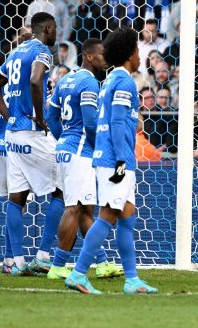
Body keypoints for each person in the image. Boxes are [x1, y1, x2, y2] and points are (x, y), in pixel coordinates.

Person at [65, 27, 158, 295]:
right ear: (130, 53)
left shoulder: (111, 80)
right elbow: (117, 121)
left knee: (126, 219)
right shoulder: (125, 82)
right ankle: (78, 273)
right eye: (138, 50)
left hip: (115, 158)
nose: (140, 55)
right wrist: (119, 159)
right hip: (115, 160)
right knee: (107, 217)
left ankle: (132, 279)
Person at [0, 12, 60, 276]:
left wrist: (8, 116)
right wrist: (40, 116)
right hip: (32, 133)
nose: (56, 34)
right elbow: (36, 79)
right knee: (62, 189)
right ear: (48, 28)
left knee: (16, 199)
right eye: (55, 29)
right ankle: (43, 255)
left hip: (12, 135)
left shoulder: (15, 53)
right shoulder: (41, 51)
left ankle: (16, 262)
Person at [45, 38, 123, 280]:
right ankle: (58, 265)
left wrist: (64, 140)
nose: (106, 59)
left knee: (85, 209)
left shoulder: (65, 79)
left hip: (67, 150)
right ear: (89, 56)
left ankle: (101, 263)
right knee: (74, 208)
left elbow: (50, 116)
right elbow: (90, 123)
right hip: (80, 152)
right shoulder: (89, 82)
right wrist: (98, 148)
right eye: (102, 54)